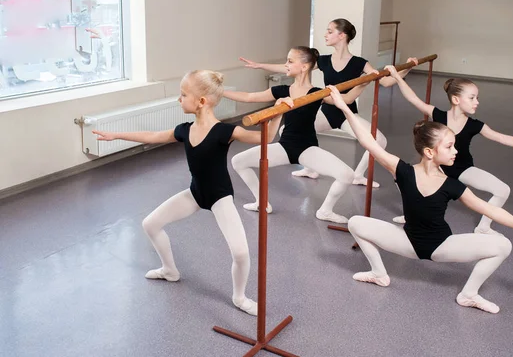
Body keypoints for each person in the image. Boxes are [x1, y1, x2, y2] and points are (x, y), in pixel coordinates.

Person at [328, 85, 513, 314]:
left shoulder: (452, 185)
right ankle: (379, 273)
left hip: (442, 247)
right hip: (406, 242)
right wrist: (344, 109)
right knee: (355, 222)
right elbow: (369, 142)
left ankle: (468, 295)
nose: (455, 151)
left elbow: (490, 209)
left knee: (503, 245)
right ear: (429, 152)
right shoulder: (403, 171)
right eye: (449, 146)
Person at [93, 70, 290, 316]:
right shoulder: (185, 130)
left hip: (220, 197)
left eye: (183, 94)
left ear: (201, 101)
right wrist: (116, 135)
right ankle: (170, 270)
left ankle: (239, 297)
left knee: (240, 252)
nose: (179, 99)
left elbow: (267, 138)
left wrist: (279, 110)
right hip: (196, 193)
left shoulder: (224, 132)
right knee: (150, 224)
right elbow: (153, 136)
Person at [239, 18, 414, 188]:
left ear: (342, 35)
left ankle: (358, 175)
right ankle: (310, 167)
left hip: (346, 113)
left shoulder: (360, 63)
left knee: (379, 141)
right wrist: (260, 65)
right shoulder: (323, 60)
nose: (325, 35)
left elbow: (385, 82)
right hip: (326, 111)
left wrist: (407, 68)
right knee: (288, 129)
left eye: (330, 31)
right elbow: (290, 67)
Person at [385, 66, 513, 233]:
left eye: (477, 98)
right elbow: (413, 99)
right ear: (456, 99)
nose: (477, 102)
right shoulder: (438, 115)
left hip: (462, 168)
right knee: (402, 177)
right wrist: (397, 76)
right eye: (472, 98)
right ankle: (411, 216)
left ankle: (483, 227)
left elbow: (501, 137)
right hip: (437, 167)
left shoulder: (475, 125)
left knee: (502, 190)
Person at [223, 46, 354, 224]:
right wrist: (218, 92)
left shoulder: (317, 93)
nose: (286, 65)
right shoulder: (282, 90)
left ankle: (325, 210)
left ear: (304, 66)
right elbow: (248, 97)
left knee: (347, 175)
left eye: (290, 61)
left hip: (307, 148)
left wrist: (362, 83)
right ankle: (262, 203)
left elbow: (346, 100)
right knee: (238, 161)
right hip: (284, 147)